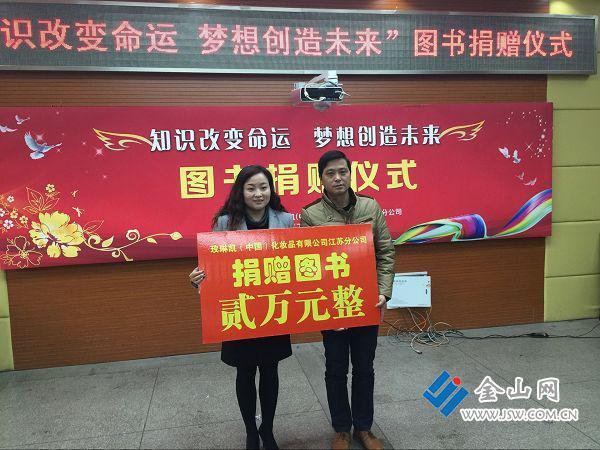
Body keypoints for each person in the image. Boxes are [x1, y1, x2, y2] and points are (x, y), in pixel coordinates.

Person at [189, 165, 294, 450]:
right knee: (245, 372)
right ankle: (250, 431)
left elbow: (296, 264)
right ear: (241, 191)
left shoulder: (285, 220)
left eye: (263, 187)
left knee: (270, 371)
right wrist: (197, 279)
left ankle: (267, 429)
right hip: (239, 310)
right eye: (251, 188)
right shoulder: (225, 222)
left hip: (273, 309)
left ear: (271, 189)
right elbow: (212, 269)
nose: (258, 193)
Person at [300, 150, 395, 450]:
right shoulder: (310, 215)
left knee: (365, 367)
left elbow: (386, 252)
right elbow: (307, 265)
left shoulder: (370, 206)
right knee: (336, 369)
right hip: (333, 308)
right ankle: (342, 429)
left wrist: (383, 291)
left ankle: (364, 428)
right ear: (321, 179)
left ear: (351, 174)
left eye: (342, 171)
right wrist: (324, 307)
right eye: (330, 173)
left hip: (366, 302)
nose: (338, 178)